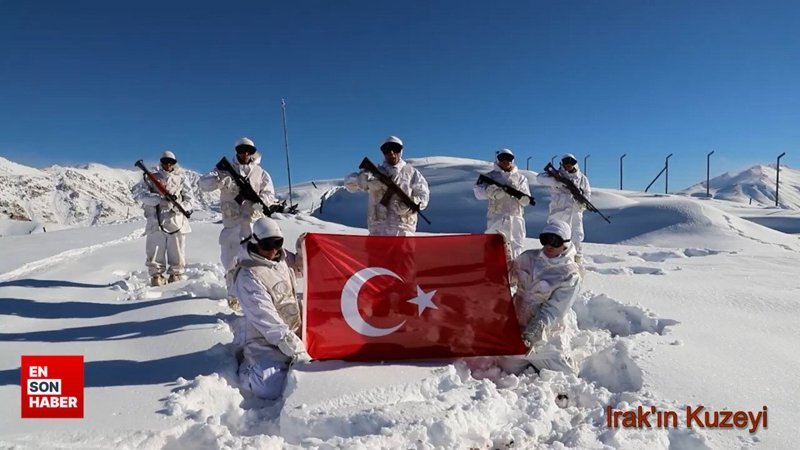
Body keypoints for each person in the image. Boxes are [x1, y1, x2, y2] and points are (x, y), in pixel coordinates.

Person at [232, 217, 309, 400]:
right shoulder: (248, 275)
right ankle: (247, 367)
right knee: (269, 387)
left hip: (294, 330)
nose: (273, 250)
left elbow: (301, 268)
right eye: (267, 245)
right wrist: (296, 349)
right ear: (255, 241)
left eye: (278, 243)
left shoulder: (280, 258)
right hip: (264, 340)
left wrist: (303, 250)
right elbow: (267, 320)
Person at [199, 137, 276, 309]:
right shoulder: (223, 169)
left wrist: (260, 203)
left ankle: (254, 298)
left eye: (249, 150)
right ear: (236, 151)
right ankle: (233, 296)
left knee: (254, 264)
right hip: (231, 224)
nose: (245, 153)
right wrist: (220, 181)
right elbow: (203, 184)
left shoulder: (261, 173)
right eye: (241, 150)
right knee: (230, 263)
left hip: (252, 226)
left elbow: (269, 194)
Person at [510, 220, 582, 373]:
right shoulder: (528, 258)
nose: (549, 245)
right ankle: (528, 363)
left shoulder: (569, 274)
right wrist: (501, 257)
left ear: (565, 244)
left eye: (555, 241)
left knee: (565, 371)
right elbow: (508, 278)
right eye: (545, 239)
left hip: (544, 332)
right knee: (508, 367)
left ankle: (551, 359)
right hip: (516, 326)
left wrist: (534, 332)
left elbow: (554, 310)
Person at [344, 136, 430, 236]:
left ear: (401, 151)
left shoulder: (412, 174)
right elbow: (349, 185)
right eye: (387, 150)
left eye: (395, 148)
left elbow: (423, 196)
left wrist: (411, 204)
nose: (392, 153)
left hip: (403, 233)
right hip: (378, 233)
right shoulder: (374, 173)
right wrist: (360, 179)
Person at [132, 150, 193, 286]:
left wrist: (178, 205)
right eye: (165, 162)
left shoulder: (182, 178)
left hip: (176, 221)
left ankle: (175, 275)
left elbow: (190, 199)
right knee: (155, 251)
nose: (168, 165)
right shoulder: (150, 177)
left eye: (171, 162)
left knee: (177, 250)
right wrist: (157, 199)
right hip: (156, 220)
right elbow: (139, 194)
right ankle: (156, 276)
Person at [473, 148, 532, 259]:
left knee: (517, 248)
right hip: (497, 218)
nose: (506, 161)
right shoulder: (489, 176)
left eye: (509, 158)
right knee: (494, 248)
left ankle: (515, 274)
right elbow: (478, 193)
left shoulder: (521, 178)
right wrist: (491, 192)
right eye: (502, 158)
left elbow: (526, 198)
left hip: (516, 219)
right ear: (497, 159)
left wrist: (523, 199)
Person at [536, 153, 591, 265]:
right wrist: (557, 181)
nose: (569, 165)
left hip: (575, 212)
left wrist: (582, 202)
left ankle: (576, 261)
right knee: (556, 238)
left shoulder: (582, 178)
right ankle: (552, 262)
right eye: (566, 162)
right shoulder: (556, 175)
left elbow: (587, 194)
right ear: (562, 163)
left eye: (571, 162)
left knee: (576, 236)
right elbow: (539, 178)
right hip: (558, 213)